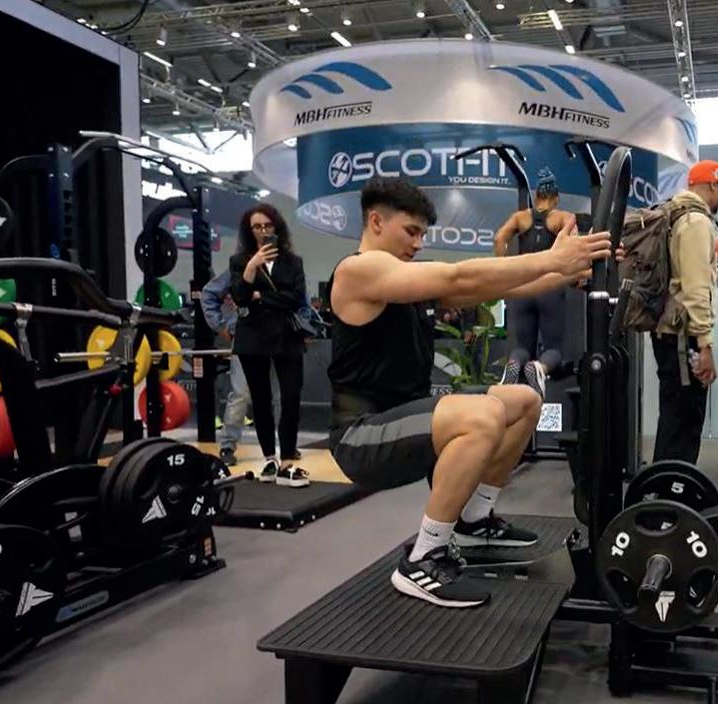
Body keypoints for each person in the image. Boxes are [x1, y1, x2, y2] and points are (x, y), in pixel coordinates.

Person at [327, 176, 611, 608]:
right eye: (411, 231)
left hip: (404, 417)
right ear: (376, 222)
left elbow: (501, 287)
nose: (419, 243)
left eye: (423, 233)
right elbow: (457, 276)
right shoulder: (357, 271)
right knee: (484, 416)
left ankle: (472, 522)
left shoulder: (401, 279)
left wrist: (567, 268)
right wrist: (550, 258)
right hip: (361, 436)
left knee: (523, 399)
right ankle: (423, 557)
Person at [652, 160, 718, 463]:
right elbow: (697, 289)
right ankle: (673, 486)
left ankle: (665, 484)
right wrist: (704, 345)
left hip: (670, 332)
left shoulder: (676, 216)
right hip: (683, 337)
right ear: (712, 184)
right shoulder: (696, 223)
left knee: (675, 417)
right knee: (684, 421)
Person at [229, 204, 310, 487]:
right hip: (253, 338)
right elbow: (239, 297)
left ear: (277, 227)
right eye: (257, 227)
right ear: (249, 230)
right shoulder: (240, 261)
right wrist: (251, 267)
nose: (263, 231)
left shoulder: (293, 261)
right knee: (260, 399)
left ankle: (287, 460)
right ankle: (269, 458)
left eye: (267, 225)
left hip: (287, 336)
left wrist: (260, 297)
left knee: (291, 396)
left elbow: (296, 298)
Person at [492, 169, 578, 398]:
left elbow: (499, 238)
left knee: (521, 347)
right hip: (550, 287)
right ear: (556, 197)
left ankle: (514, 363)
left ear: (537, 195)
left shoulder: (520, 218)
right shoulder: (563, 218)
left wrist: (504, 268)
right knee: (554, 348)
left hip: (523, 287)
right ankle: (540, 368)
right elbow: (574, 244)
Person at [201, 269, 250, 466]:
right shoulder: (239, 268)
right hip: (246, 336)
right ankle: (228, 446)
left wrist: (306, 326)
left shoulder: (287, 265)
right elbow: (208, 293)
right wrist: (221, 326)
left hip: (278, 337)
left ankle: (285, 449)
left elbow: (300, 299)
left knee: (282, 394)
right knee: (241, 393)